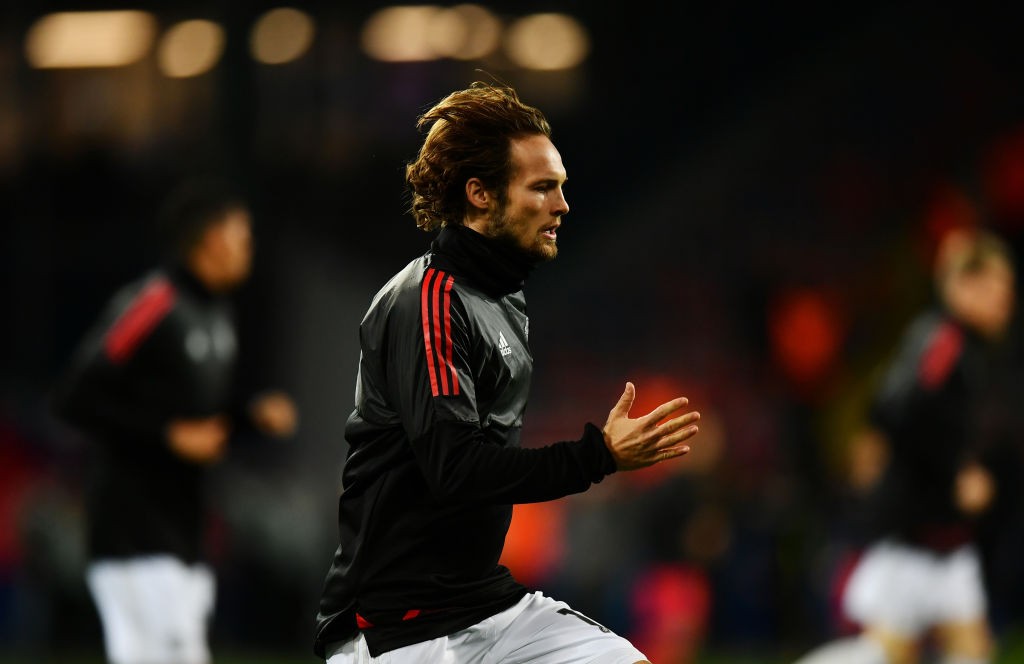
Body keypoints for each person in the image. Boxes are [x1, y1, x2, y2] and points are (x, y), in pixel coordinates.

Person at [313, 81, 702, 664]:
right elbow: (456, 468)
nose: (562, 205)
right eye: (542, 188)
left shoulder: (503, 301)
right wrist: (598, 457)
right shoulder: (427, 300)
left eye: (561, 188)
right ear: (480, 195)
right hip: (399, 626)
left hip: (484, 607)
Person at [51, 180, 298, 664]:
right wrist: (166, 435)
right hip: (133, 535)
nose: (249, 246)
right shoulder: (153, 304)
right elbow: (74, 397)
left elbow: (198, 427)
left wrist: (248, 418)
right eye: (240, 233)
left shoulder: (217, 314)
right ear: (210, 239)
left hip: (183, 536)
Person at [794, 228, 1016, 664]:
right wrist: (954, 473)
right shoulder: (945, 341)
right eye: (993, 286)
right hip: (917, 540)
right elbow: (894, 408)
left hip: (945, 541)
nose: (1003, 300)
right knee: (881, 655)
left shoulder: (967, 349)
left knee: (967, 652)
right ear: (961, 287)